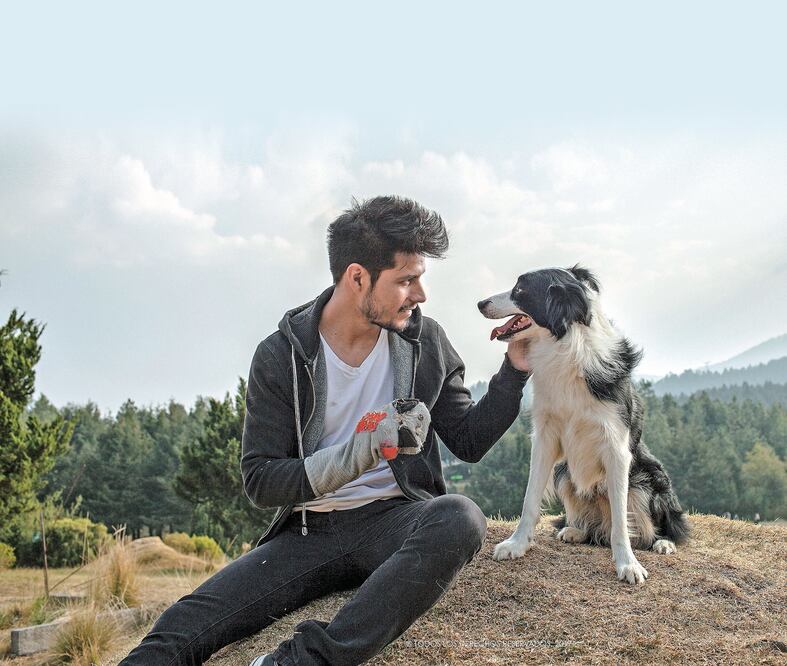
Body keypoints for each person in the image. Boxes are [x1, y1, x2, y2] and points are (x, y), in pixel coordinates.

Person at [120, 195, 530, 666]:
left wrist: (514, 370)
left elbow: (469, 440)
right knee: (174, 634)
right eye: (406, 280)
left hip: (394, 522)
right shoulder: (281, 355)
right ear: (358, 277)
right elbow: (261, 479)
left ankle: (301, 661)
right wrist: (362, 451)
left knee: (459, 516)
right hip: (307, 534)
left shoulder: (425, 341)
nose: (420, 295)